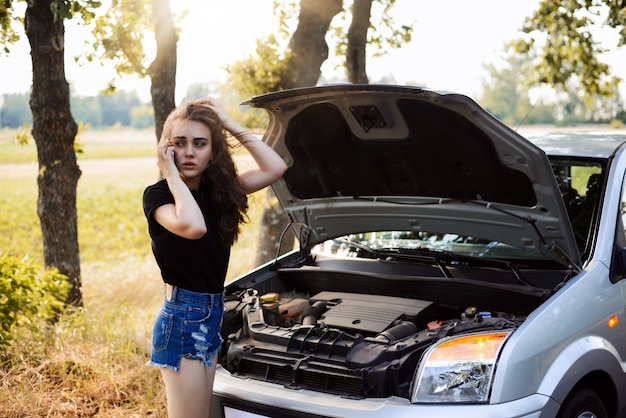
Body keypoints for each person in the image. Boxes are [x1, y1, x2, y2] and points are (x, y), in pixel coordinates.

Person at [142, 97, 287, 417]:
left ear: (213, 150)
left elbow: (276, 167)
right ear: (167, 149)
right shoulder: (159, 195)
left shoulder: (221, 191)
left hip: (211, 316)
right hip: (181, 320)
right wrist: (172, 176)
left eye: (200, 143)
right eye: (180, 143)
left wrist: (230, 124)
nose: (190, 152)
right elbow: (193, 227)